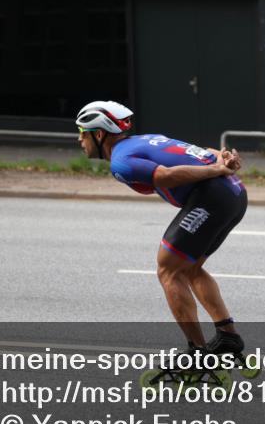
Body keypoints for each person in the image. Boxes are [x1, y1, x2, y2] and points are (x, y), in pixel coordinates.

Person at [76, 100, 249, 357]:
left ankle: (197, 351)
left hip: (213, 195)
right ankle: (227, 336)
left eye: (82, 133)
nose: (79, 140)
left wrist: (216, 167)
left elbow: (165, 176)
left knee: (168, 270)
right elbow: (204, 152)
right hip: (235, 193)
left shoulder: (121, 160)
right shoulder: (147, 139)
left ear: (99, 134)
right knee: (189, 268)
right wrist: (223, 157)